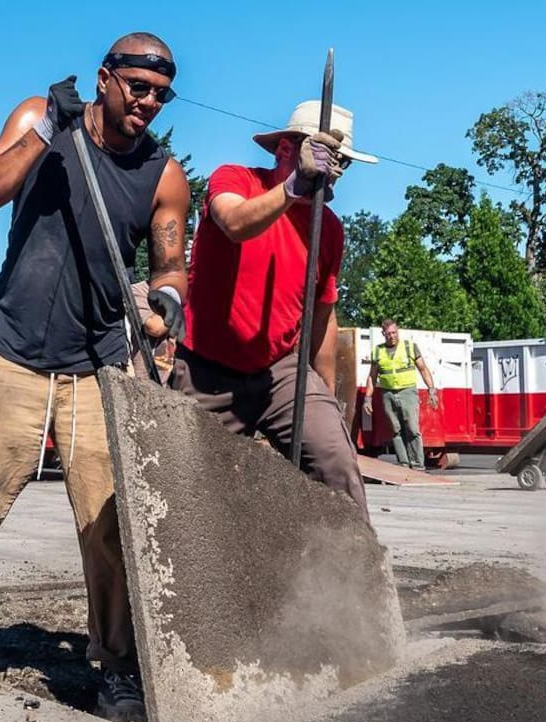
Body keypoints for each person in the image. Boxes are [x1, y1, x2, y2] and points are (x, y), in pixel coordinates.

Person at [0, 33, 191, 722]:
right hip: (11, 351)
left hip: (99, 365)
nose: (148, 104)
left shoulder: (163, 174)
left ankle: (115, 664)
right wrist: (48, 129)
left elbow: (172, 265)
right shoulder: (40, 121)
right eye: (137, 88)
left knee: (111, 524)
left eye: (161, 95)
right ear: (106, 79)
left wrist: (166, 304)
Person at [169, 100, 377, 521]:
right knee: (186, 489)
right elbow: (233, 222)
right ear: (286, 150)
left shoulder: (328, 228)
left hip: (279, 372)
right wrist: (293, 187)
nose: (333, 169)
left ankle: (352, 577)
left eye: (340, 162)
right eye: (322, 155)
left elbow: (322, 318)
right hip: (207, 370)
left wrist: (329, 401)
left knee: (334, 460)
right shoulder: (236, 179)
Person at [362, 319, 438, 471]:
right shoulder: (378, 351)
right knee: (396, 429)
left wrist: (431, 390)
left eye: (394, 332)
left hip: (407, 392)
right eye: (388, 333)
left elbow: (423, 369)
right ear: (383, 334)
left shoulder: (410, 347)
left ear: (398, 331)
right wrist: (367, 399)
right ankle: (403, 463)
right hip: (387, 394)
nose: (392, 336)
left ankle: (417, 465)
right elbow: (372, 376)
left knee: (412, 428)